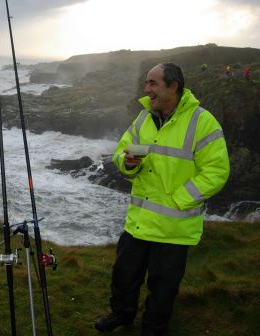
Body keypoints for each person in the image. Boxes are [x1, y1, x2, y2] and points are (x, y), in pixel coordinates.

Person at [95, 63, 230, 336]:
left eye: (153, 83)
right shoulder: (144, 118)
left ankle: (154, 328)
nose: (147, 89)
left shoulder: (202, 122)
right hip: (140, 220)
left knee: (163, 285)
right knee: (124, 275)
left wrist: (179, 199)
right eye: (147, 83)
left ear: (173, 86)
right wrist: (128, 163)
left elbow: (217, 171)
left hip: (174, 227)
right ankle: (122, 314)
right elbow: (121, 153)